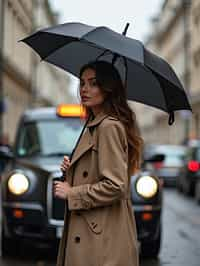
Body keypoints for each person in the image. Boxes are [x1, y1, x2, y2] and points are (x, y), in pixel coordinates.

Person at [54, 60, 143, 266]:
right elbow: (97, 173)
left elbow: (116, 186)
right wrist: (73, 171)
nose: (85, 89)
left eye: (93, 83)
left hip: (100, 241)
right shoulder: (96, 124)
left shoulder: (108, 127)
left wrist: (71, 193)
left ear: (108, 88)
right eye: (82, 83)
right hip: (93, 232)